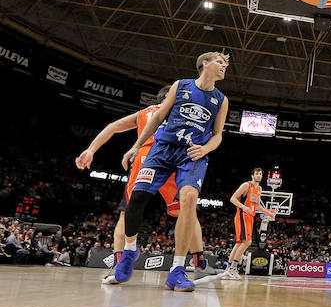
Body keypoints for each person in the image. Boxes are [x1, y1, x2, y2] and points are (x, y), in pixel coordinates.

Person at [112, 51, 230, 292]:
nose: (224, 66)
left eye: (226, 64)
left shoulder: (221, 99)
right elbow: (157, 119)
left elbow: (218, 135)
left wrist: (206, 148)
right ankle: (130, 250)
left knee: (189, 199)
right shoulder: (181, 85)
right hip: (163, 148)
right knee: (137, 199)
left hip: (193, 153)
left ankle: (177, 270)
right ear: (204, 64)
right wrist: (135, 146)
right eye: (220, 61)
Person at [75, 87, 211, 283]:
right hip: (162, 159)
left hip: (154, 159)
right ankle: (198, 261)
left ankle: (121, 261)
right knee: (181, 211)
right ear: (168, 97)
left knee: (137, 210)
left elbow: (113, 126)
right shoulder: (177, 110)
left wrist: (91, 150)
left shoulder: (148, 112)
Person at [224, 168, 276, 280]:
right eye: (257, 174)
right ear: (252, 175)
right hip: (242, 215)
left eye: (261, 174)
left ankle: (228, 269)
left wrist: (268, 213)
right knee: (247, 242)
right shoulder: (246, 185)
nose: (259, 175)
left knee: (239, 243)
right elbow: (232, 199)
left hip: (250, 217)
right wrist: (244, 207)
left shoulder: (259, 189)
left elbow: (257, 206)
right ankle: (233, 268)